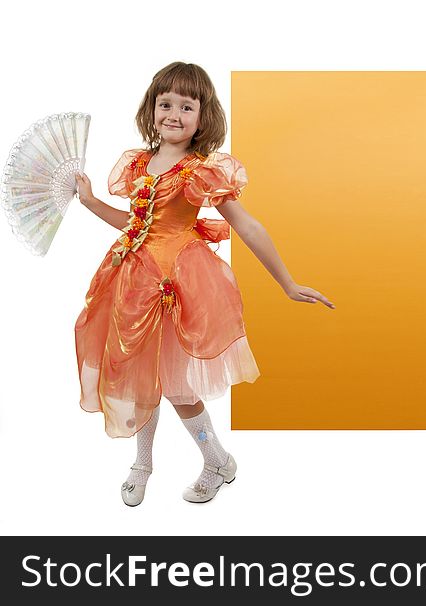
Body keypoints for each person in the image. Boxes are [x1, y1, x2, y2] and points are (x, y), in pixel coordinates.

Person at [74, 62, 335, 506]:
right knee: (139, 378)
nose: (173, 113)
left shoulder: (200, 171)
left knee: (176, 386)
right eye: (165, 103)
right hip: (133, 284)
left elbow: (247, 226)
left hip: (178, 285)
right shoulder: (141, 163)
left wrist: (287, 282)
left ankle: (215, 459)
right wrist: (91, 200)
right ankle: (143, 464)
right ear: (152, 108)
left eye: (186, 106)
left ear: (202, 117)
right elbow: (136, 226)